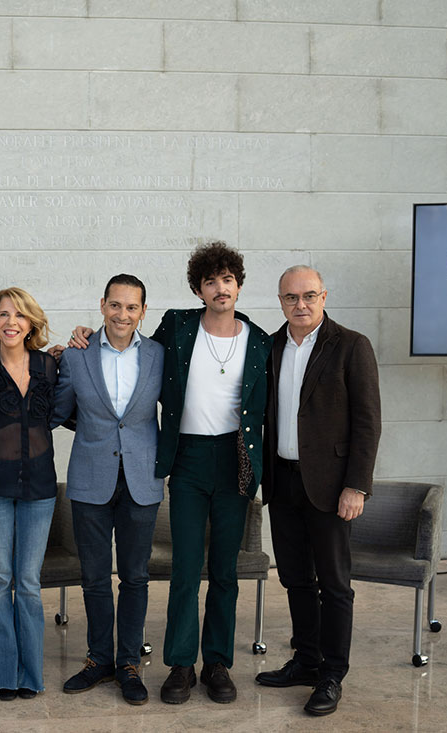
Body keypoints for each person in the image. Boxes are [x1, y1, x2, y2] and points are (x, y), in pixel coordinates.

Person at [70, 241, 270, 705]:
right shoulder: (177, 327)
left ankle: (217, 662)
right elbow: (124, 348)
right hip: (185, 460)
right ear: (198, 289)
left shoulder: (260, 339)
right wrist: (82, 335)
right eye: (210, 281)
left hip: (235, 459)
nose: (220, 288)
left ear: (238, 284)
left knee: (224, 570)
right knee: (184, 569)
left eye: (228, 279)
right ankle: (181, 664)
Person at [256, 265, 381, 717]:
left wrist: (357, 486)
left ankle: (332, 673)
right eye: (291, 297)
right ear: (281, 301)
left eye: (309, 296)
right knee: (294, 578)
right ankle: (306, 660)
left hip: (331, 486)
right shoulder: (270, 347)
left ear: (324, 296)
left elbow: (367, 422)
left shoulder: (351, 345)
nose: (300, 305)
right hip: (283, 479)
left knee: (334, 583)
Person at [52, 274, 164, 706]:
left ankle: (130, 663)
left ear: (142, 312)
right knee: (95, 578)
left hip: (142, 481)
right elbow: (60, 410)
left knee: (135, 577)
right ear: (102, 306)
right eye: (115, 305)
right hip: (90, 479)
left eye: (131, 307)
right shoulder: (77, 357)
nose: (122, 314)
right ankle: (99, 659)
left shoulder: (158, 355)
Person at [0, 287, 58, 701]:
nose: (11, 323)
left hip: (40, 488)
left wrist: (81, 336)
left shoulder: (49, 366)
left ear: (31, 323)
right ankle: (2, 674)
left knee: (29, 582)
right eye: (3, 315)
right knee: (0, 580)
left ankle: (31, 675)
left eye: (19, 316)